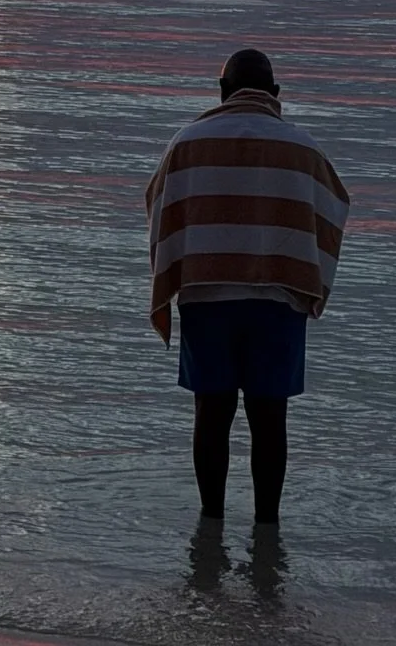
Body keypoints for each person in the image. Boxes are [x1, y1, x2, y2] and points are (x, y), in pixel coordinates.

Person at [145, 48, 349, 527]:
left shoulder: (187, 142)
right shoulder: (303, 148)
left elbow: (159, 207)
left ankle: (210, 524)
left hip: (206, 294)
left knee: (210, 415)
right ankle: (267, 529)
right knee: (269, 419)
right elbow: (333, 208)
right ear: (275, 94)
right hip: (277, 299)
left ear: (222, 92)